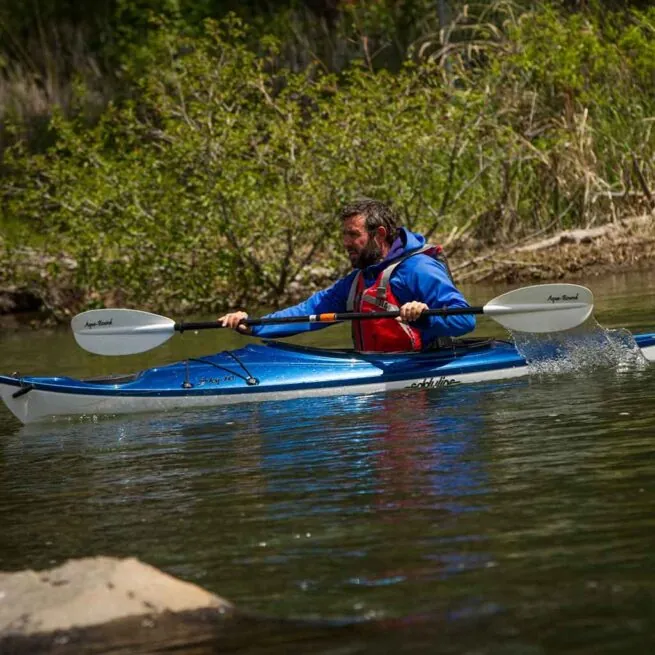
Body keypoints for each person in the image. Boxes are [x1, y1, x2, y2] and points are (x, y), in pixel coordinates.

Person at [219, 198, 475, 352]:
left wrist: (422, 317)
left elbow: (465, 320)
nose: (345, 242)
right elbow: (310, 311)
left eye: (353, 235)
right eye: (344, 235)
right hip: (379, 379)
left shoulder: (418, 268)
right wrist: (254, 325)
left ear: (380, 234)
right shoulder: (359, 280)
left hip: (426, 388)